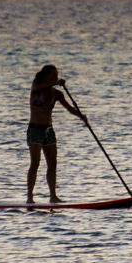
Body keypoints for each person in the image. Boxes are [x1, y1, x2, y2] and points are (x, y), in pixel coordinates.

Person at [26, 64, 86, 203]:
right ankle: (30, 197)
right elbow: (38, 87)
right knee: (35, 163)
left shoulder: (57, 94)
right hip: (35, 129)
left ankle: (53, 196)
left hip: (48, 131)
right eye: (54, 76)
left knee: (52, 163)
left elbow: (70, 108)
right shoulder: (36, 87)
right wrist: (56, 83)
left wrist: (81, 116)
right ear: (46, 76)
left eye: (57, 76)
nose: (56, 78)